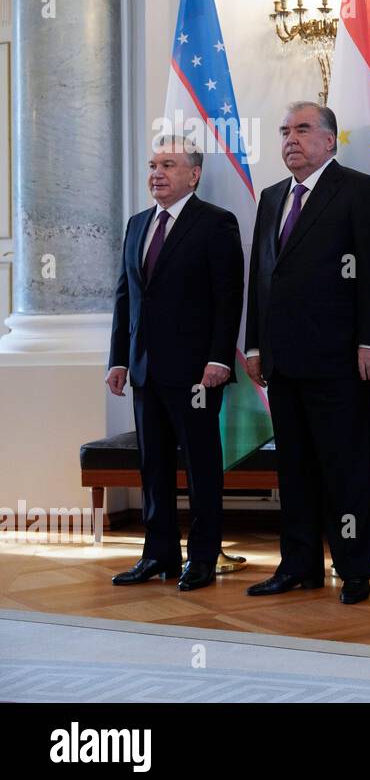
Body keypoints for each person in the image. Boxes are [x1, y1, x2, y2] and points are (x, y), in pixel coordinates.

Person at [244, 101, 370, 605]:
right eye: (285, 130)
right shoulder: (271, 197)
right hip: (283, 360)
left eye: (303, 129)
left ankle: (354, 568)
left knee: (345, 468)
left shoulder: (357, 190)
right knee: (294, 468)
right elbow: (261, 278)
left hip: (339, 360)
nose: (291, 138)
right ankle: (299, 565)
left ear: (330, 140)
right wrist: (254, 344)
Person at [107, 135, 243, 592]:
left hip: (196, 373)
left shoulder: (216, 224)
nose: (157, 173)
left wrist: (218, 359)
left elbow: (228, 299)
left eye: (168, 164)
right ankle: (159, 554)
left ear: (194, 174)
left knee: (201, 467)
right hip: (145, 370)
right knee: (155, 467)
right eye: (152, 165)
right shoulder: (137, 224)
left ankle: (203, 558)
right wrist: (118, 361)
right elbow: (125, 299)